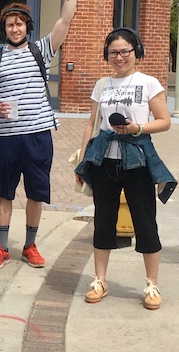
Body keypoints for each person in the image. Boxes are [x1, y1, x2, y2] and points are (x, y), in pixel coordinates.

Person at [0, 0, 82, 271]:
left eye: (20, 23)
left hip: (38, 135)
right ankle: (2, 247)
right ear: (4, 28)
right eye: (10, 24)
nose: (15, 28)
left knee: (36, 192)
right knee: (4, 194)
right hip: (7, 137)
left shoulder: (41, 50)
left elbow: (66, 18)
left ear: (27, 26)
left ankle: (30, 246)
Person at [74, 28, 173, 310]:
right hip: (104, 159)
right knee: (103, 219)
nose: (119, 57)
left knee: (144, 220)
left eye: (125, 52)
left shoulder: (149, 83)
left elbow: (164, 120)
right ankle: (100, 280)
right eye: (113, 52)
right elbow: (91, 124)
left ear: (136, 52)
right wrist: (83, 161)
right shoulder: (102, 85)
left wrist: (137, 128)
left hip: (137, 159)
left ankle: (152, 284)